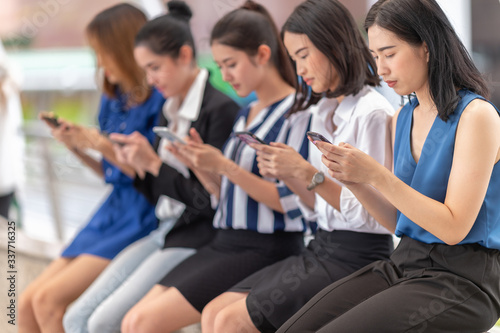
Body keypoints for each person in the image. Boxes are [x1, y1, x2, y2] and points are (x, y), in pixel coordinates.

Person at [277, 0, 500, 332]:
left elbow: (454, 228)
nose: (380, 69)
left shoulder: (477, 116)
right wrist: (353, 180)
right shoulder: (403, 117)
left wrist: (376, 175)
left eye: (389, 54)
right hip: (405, 264)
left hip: (462, 278)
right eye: (375, 56)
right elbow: (398, 220)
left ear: (426, 47)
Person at [201, 1, 397, 332]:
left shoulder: (372, 113)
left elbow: (371, 217)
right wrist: (288, 173)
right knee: (214, 313)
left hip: (359, 256)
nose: (299, 68)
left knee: (229, 322)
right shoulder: (321, 111)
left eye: (304, 55)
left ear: (334, 44)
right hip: (320, 246)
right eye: (293, 59)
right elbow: (315, 204)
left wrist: (307, 173)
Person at [120, 2, 314, 332]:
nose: (224, 76)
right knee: (133, 321)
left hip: (266, 246)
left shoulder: (297, 114)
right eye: (220, 66)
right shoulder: (246, 113)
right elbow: (220, 194)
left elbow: (289, 202)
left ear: (263, 55)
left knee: (143, 323)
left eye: (231, 64)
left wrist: (224, 165)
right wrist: (198, 164)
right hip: (225, 241)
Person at [62, 2, 239, 332]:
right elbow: (157, 191)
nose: (149, 79)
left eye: (154, 67)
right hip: (165, 230)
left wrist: (156, 165)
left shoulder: (220, 109)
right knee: (76, 317)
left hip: (197, 236)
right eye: (145, 70)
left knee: (103, 322)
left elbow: (209, 203)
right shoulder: (169, 109)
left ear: (185, 56)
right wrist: (138, 165)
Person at [18, 4, 165, 333]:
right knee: (26, 302)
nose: (99, 62)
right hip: (111, 210)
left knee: (47, 302)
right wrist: (78, 146)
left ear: (125, 49)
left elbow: (147, 177)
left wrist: (99, 143)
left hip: (140, 215)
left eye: (103, 52)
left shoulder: (159, 100)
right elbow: (110, 172)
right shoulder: (113, 96)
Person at [0, 41, 24, 220]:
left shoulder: (8, 86)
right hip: (7, 176)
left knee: (8, 235)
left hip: (6, 178)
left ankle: (9, 248)